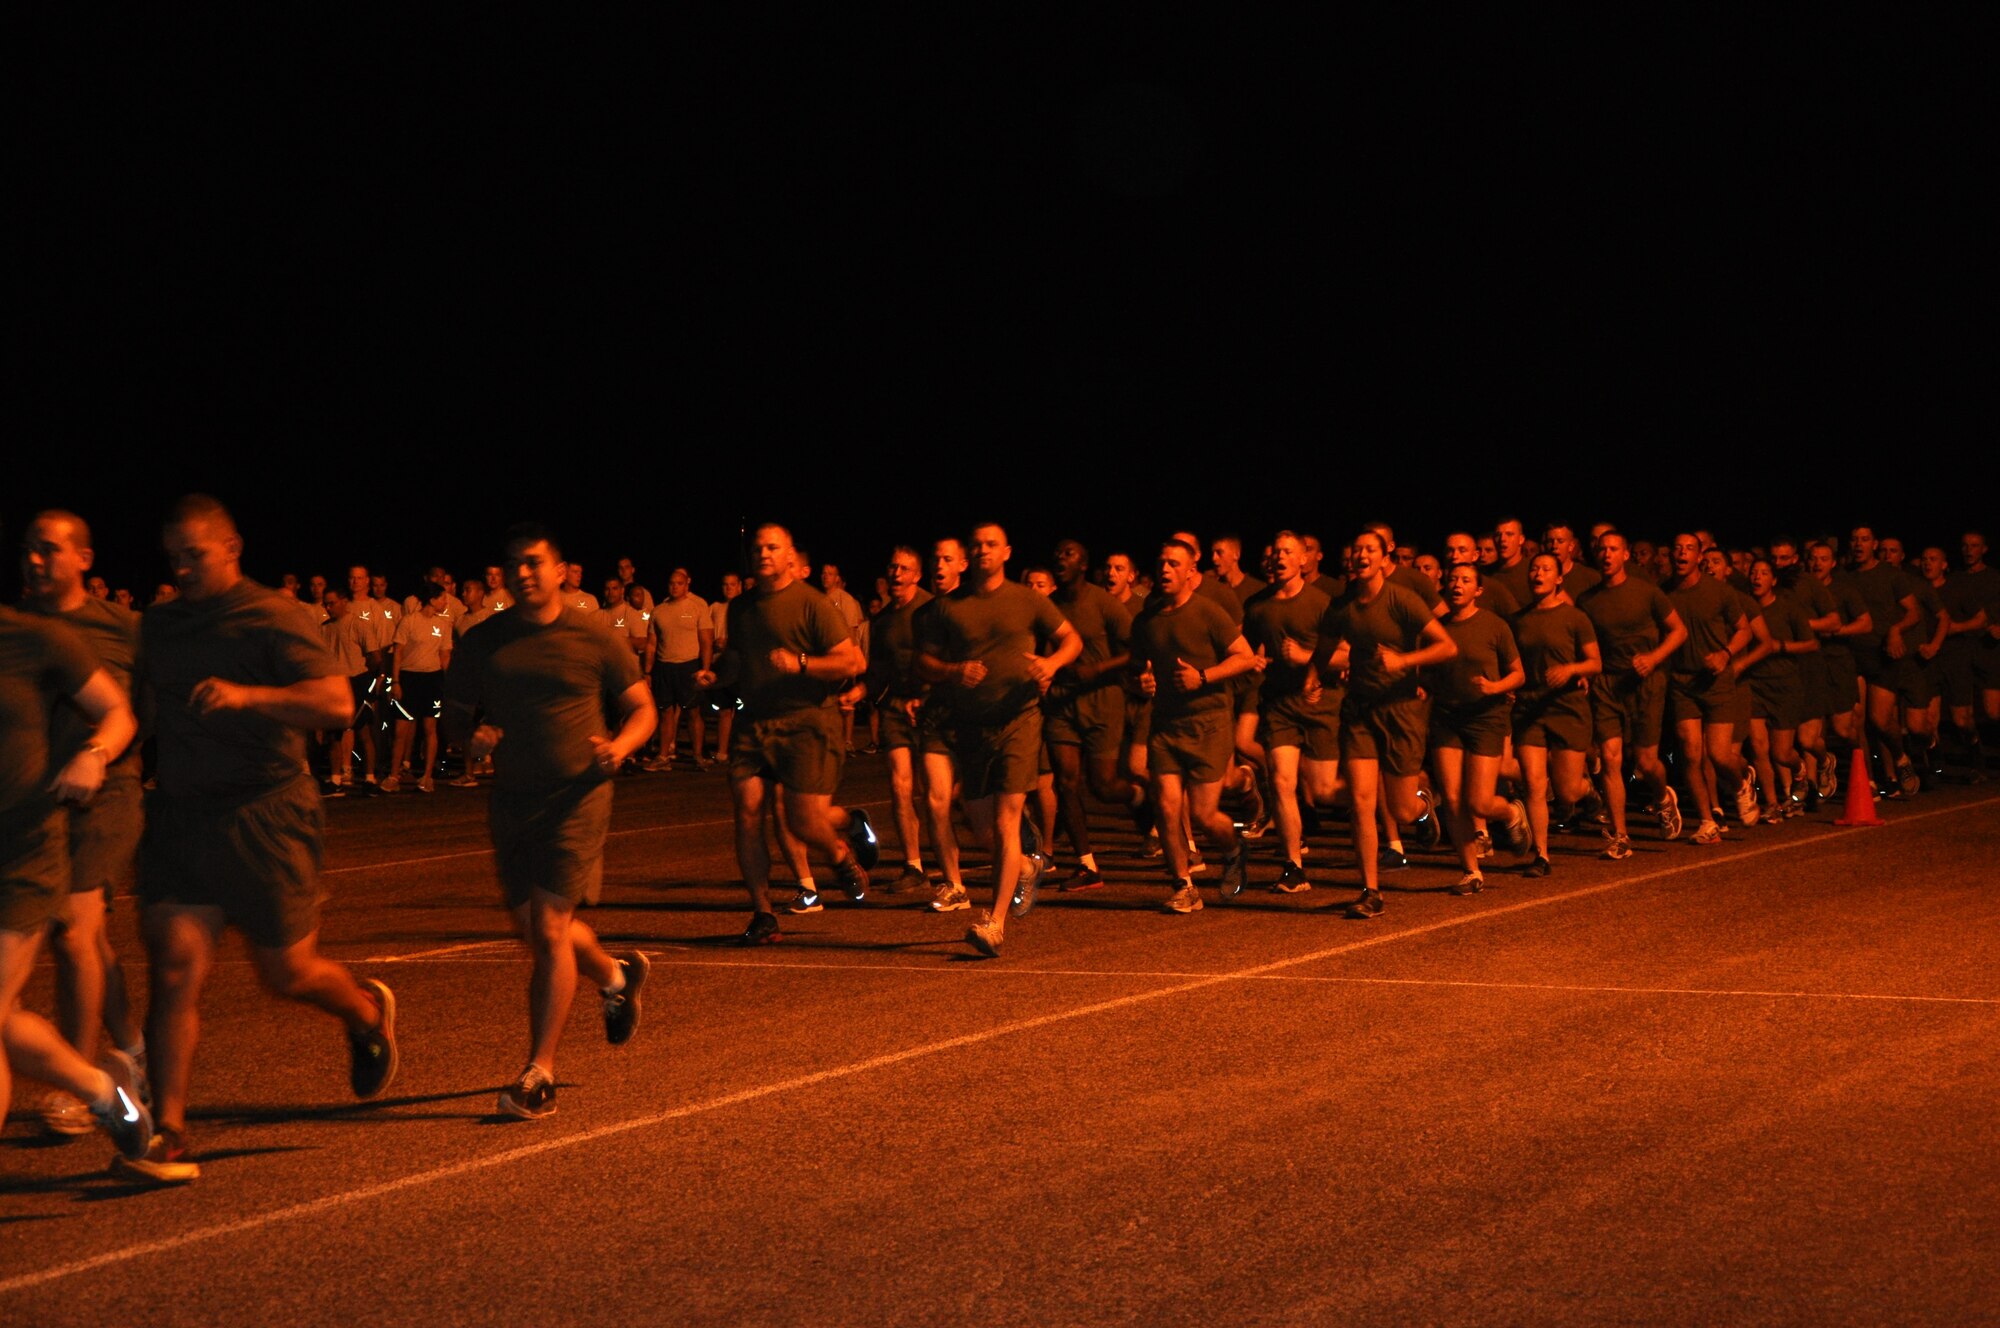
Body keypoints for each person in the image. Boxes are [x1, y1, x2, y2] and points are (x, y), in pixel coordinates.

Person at [125, 495, 397, 1182]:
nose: (183, 568)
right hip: (184, 818)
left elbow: (337, 704)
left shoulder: (274, 615)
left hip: (266, 815)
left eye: (195, 554)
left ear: (231, 548)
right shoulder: (160, 625)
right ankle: (171, 1131)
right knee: (174, 969)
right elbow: (137, 711)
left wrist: (250, 698)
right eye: (173, 557)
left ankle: (365, 1013)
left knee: (288, 975)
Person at [445, 523, 656, 1120]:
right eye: (514, 564)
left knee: (547, 928)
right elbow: (457, 716)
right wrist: (473, 740)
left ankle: (540, 1072)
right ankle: (616, 976)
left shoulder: (594, 638)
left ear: (561, 570)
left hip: (578, 798)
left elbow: (642, 708)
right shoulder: (483, 641)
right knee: (538, 933)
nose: (524, 573)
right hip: (513, 800)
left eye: (535, 562)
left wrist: (621, 746)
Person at [16, 510, 151, 1141]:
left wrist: (105, 758)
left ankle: (79, 1082)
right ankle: (130, 1051)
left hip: (106, 796)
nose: (36, 561)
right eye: (29, 550)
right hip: (34, 804)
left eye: (49, 550)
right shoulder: (20, 627)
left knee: (73, 932)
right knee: (93, 943)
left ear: (84, 558)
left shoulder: (121, 627)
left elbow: (140, 711)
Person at [695, 525, 871, 945]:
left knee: (803, 820)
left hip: (806, 722)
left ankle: (839, 853)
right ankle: (763, 912)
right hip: (754, 724)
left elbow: (853, 661)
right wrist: (716, 673)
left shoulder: (812, 604)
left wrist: (802, 662)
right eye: (757, 548)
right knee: (748, 811)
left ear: (790, 555)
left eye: (773, 547)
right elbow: (737, 656)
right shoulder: (740, 609)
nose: (764, 554)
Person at [914, 522, 1080, 957]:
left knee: (1008, 819)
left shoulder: (1028, 600)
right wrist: (954, 671)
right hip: (971, 725)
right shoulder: (948, 608)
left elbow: (1071, 640)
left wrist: (1052, 663)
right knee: (978, 820)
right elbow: (924, 663)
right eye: (977, 546)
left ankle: (995, 922)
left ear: (1007, 552)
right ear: (969, 556)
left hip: (1020, 720)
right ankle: (1026, 865)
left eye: (992, 544)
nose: (984, 550)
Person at [1315, 530, 1456, 920]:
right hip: (1360, 712)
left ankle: (1426, 802)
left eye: (1369, 550)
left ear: (1383, 558)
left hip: (1400, 710)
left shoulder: (1402, 599)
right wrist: (1313, 674)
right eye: (1356, 549)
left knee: (1401, 809)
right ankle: (1370, 890)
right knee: (1361, 802)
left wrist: (1404, 662)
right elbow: (1326, 647)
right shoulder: (1341, 605)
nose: (1360, 555)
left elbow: (1447, 646)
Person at [1130, 538, 1263, 912]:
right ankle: (1183, 885)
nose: (1165, 570)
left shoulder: (1208, 612)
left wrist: (1203, 677)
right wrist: (1141, 682)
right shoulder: (1146, 620)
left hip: (1209, 723)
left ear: (1191, 572)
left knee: (1205, 816)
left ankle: (1235, 849)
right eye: (1161, 563)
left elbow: (1245, 657)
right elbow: (1135, 669)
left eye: (1174, 564)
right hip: (1166, 727)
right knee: (1167, 807)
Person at [1576, 532, 1688, 853]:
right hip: (1608, 684)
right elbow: (1586, 644)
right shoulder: (1587, 600)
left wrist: (1653, 658)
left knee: (1646, 761)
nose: (1607, 555)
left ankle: (1663, 796)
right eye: (1602, 550)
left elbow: (1679, 631)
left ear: (1625, 555)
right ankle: (1621, 834)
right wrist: (1585, 672)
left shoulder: (1647, 593)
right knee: (1611, 759)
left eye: (1614, 549)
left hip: (1646, 683)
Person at [1241, 532, 1340, 893]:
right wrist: (1251, 662)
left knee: (1326, 790)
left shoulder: (1323, 604)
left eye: (1287, 552)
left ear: (1303, 561)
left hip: (1320, 705)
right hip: (1279, 706)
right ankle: (1293, 866)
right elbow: (1248, 650)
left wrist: (1306, 659)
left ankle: (1388, 798)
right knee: (1282, 782)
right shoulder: (1257, 606)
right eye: (1274, 552)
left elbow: (1348, 654)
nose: (1278, 557)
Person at [1044, 539, 1144, 892]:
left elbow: (1136, 652)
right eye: (1057, 553)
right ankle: (1086, 864)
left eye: (1068, 553)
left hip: (1102, 701)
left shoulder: (1104, 604)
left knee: (1103, 786)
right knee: (1066, 782)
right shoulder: (1048, 607)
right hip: (1061, 705)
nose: (1060, 557)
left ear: (1084, 565)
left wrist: (1098, 668)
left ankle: (1137, 797)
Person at [1424, 562, 1526, 895]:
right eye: (1453, 579)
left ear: (1478, 590)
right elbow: (1427, 670)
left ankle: (1510, 811)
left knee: (1479, 802)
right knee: (1452, 800)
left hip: (1485, 717)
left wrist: (1495, 688)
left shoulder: (1494, 626)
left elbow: (1518, 674)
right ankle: (1471, 871)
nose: (1457, 585)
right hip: (1446, 717)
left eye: (1466, 580)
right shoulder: (1437, 628)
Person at [1510, 554, 1603, 876]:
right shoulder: (1517, 620)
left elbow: (1595, 662)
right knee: (1534, 786)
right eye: (1534, 569)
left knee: (1566, 792)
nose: (1538, 574)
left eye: (1546, 569)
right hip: (1529, 707)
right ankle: (1542, 855)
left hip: (1567, 707)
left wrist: (1571, 669)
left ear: (1558, 578)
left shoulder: (1575, 618)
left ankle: (1588, 791)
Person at [1664, 533, 1756, 844]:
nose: (1682, 552)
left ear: (1699, 555)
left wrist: (1726, 653)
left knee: (1719, 755)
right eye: (1677, 547)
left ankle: (1742, 782)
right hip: (1682, 682)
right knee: (1691, 754)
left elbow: (1746, 630)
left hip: (1716, 681)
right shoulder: (1664, 594)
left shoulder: (1720, 592)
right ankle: (1707, 821)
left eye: (1689, 548)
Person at [861, 546, 934, 889]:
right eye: (892, 567)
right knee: (899, 785)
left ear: (917, 575)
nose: (896, 573)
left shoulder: (932, 610)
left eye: (904, 568)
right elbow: (877, 672)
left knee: (940, 792)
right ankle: (913, 866)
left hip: (934, 707)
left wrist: (925, 696)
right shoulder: (883, 620)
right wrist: (857, 693)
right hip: (896, 709)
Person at [385, 580, 452, 793]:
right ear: (431, 600)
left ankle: (427, 776)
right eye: (442, 597)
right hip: (409, 679)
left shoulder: (443, 625)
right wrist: (395, 681)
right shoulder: (409, 621)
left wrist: (448, 683)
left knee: (430, 729)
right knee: (400, 730)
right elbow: (398, 653)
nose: (445, 601)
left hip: (432, 680)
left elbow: (444, 656)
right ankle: (393, 776)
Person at [645, 569, 713, 771]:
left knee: (693, 712)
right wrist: (648, 671)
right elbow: (651, 644)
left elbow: (706, 641)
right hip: (664, 667)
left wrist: (705, 669)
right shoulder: (658, 611)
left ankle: (698, 756)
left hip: (689, 666)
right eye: (671, 583)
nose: (675, 587)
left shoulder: (697, 607)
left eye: (679, 583)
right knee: (665, 713)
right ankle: (663, 756)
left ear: (686, 585)